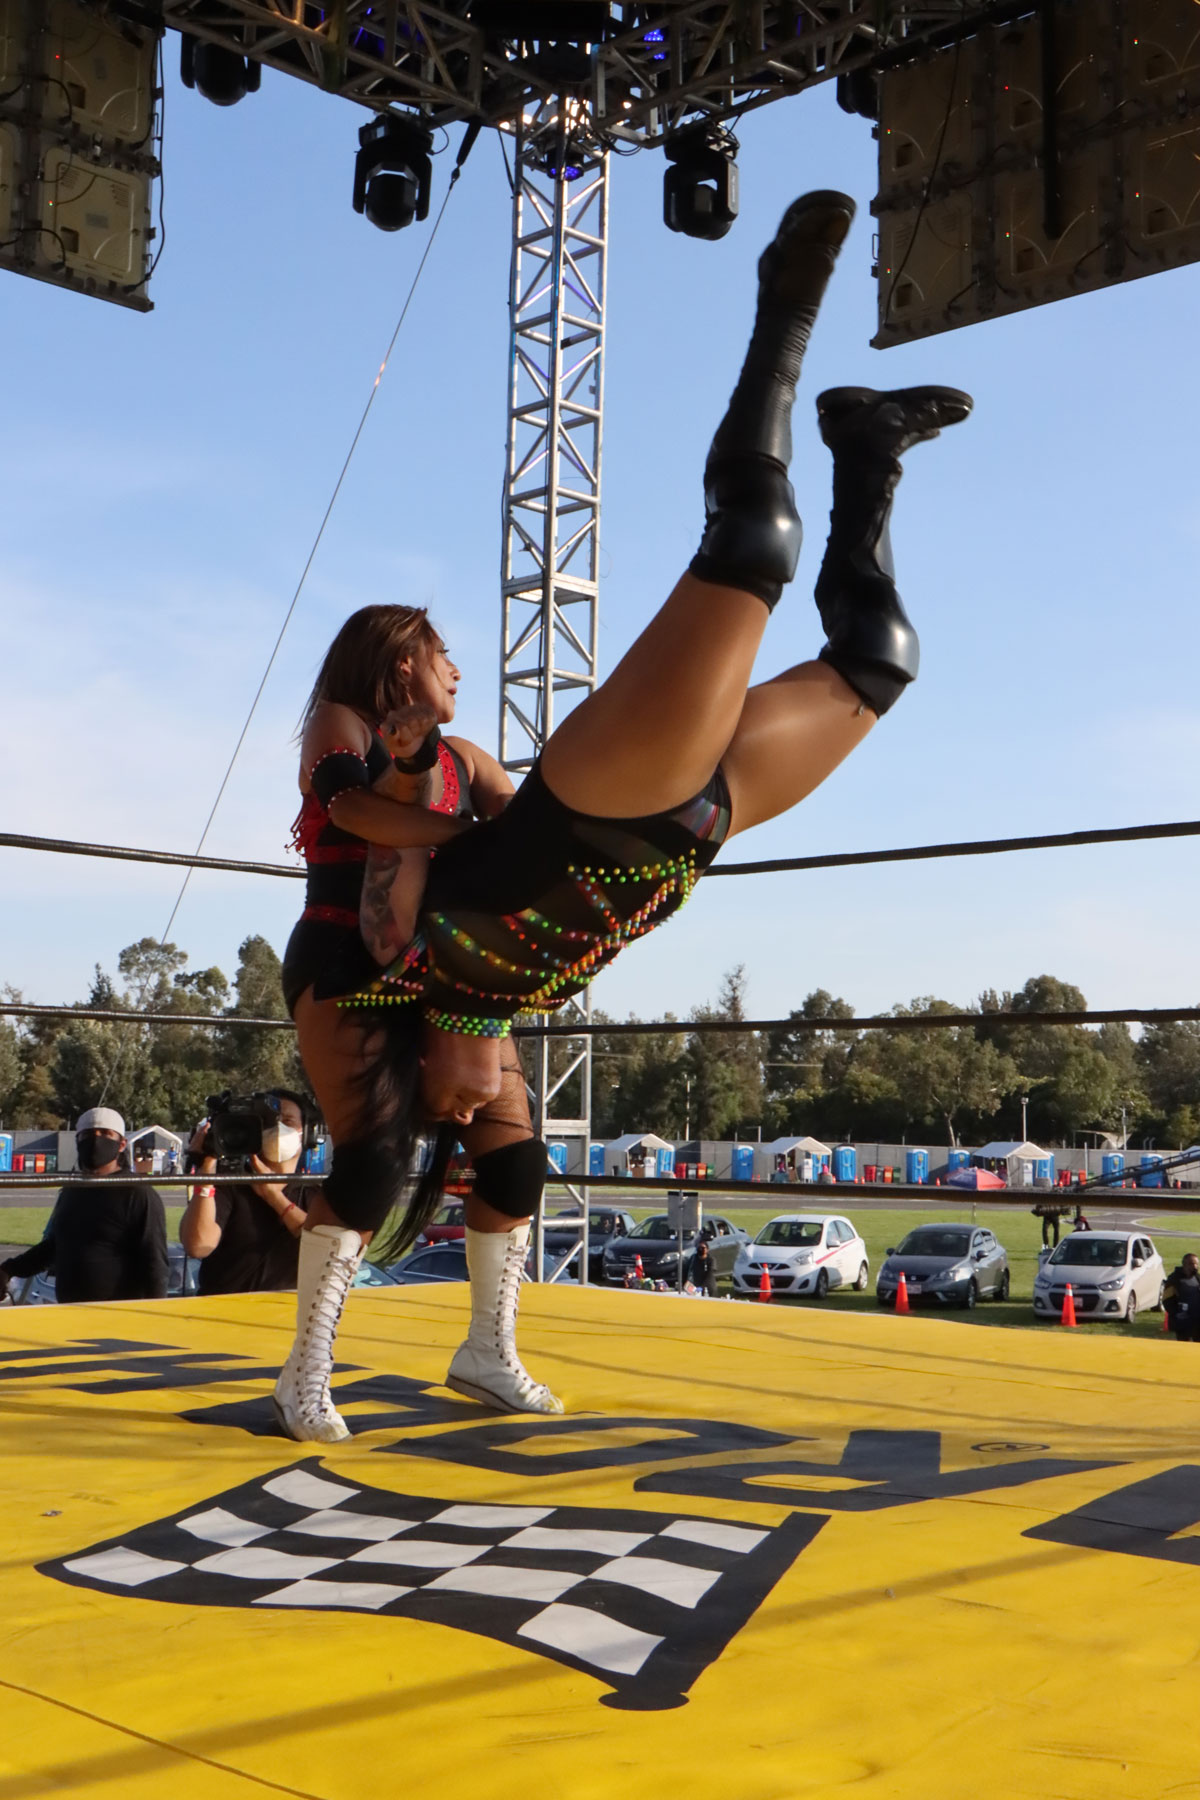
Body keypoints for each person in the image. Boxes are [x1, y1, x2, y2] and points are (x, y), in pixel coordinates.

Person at [273, 187, 972, 1445]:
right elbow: (365, 821)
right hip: (402, 954)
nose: (454, 669)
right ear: (393, 660)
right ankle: (305, 1374)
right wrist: (460, 860)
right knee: (375, 1156)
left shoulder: (474, 762)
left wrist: (482, 838)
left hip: (606, 861)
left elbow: (494, 808)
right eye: (435, 652)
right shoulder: (349, 723)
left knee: (879, 656)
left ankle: (864, 448)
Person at [0, 1107, 168, 1303]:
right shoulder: (73, 1189)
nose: (96, 1140)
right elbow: (55, 1246)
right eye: (88, 1134)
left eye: (106, 1133)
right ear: (77, 1141)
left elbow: (155, 1262)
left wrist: (156, 1315)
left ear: (122, 1144)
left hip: (119, 1318)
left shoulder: (138, 1193)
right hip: (70, 1314)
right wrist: (9, 1269)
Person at [180, 1091, 314, 1296]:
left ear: (308, 1133)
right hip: (221, 1318)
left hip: (289, 1319)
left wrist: (273, 1196)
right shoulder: (230, 1185)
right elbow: (198, 1246)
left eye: (288, 1120)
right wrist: (206, 1169)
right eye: (268, 1121)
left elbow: (326, 1245)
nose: (278, 1128)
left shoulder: (313, 1190)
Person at [1164, 1252, 1200, 1342]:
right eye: (1192, 1264)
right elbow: (1166, 1300)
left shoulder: (1198, 1278)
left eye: (1196, 1264)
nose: (1195, 1266)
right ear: (1184, 1264)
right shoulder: (1174, 1280)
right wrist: (1176, 1314)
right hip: (1182, 1322)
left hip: (1197, 1322)